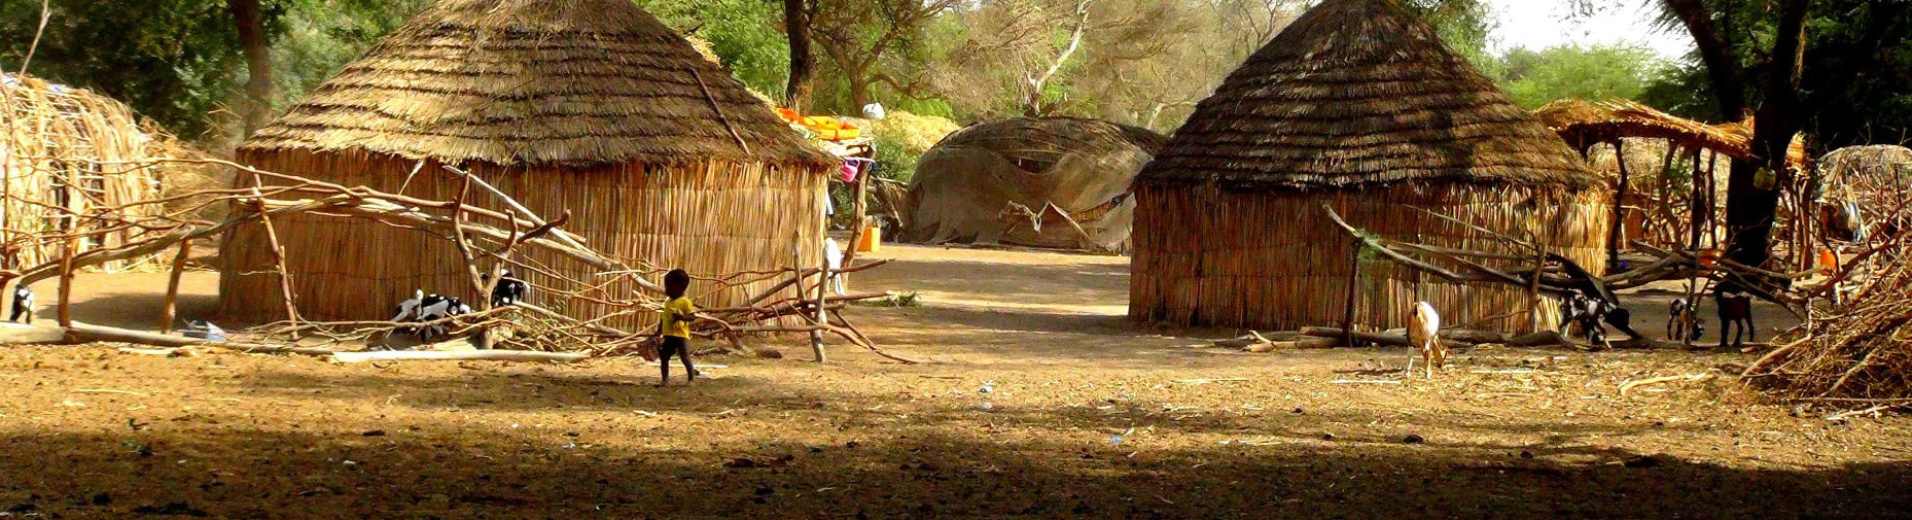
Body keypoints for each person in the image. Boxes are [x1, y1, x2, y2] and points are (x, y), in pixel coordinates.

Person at [656, 269, 700, 386]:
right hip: (668, 335)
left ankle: (691, 378)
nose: (666, 289)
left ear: (679, 287)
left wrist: (681, 317)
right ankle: (665, 379)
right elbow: (663, 318)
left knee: (685, 357)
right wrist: (658, 331)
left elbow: (692, 317)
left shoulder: (685, 302)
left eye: (669, 286)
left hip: (680, 336)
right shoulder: (668, 302)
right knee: (664, 356)